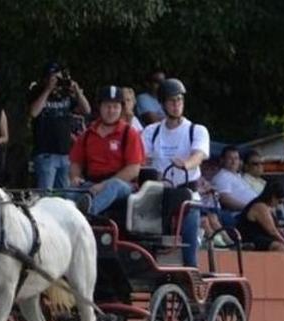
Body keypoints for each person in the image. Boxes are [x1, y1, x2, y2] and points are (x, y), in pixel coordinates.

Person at [141, 78, 210, 267]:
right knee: (142, 230)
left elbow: (199, 155)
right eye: (172, 101)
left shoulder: (196, 130)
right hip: (158, 195)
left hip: (185, 194)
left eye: (179, 100)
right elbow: (141, 159)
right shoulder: (151, 131)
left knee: (189, 233)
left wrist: (186, 164)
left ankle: (191, 269)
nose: (176, 104)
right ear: (163, 104)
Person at [68, 86, 143, 215]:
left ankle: (87, 214)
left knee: (113, 186)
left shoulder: (129, 133)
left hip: (122, 185)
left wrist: (103, 185)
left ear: (121, 109)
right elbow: (76, 162)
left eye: (115, 107)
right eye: (107, 106)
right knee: (69, 192)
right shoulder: (88, 134)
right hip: (91, 183)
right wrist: (75, 177)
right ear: (100, 107)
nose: (111, 111)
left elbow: (134, 169)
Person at [28, 62, 91, 189]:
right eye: (54, 78)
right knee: (46, 194)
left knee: (65, 194)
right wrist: (48, 89)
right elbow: (33, 112)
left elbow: (87, 110)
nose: (57, 81)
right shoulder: (37, 92)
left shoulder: (66, 94)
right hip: (46, 153)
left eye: (59, 78)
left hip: (65, 153)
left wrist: (78, 92)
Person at [236, 181, 284, 251]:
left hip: (264, 238)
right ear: (273, 197)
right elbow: (272, 231)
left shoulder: (269, 208)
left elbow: (275, 228)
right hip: (251, 239)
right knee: (280, 247)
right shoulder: (260, 207)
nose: (279, 205)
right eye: (279, 202)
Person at [211, 145, 259, 212]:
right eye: (230, 158)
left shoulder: (238, 176)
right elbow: (224, 199)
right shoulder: (222, 177)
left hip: (257, 209)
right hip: (241, 213)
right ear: (222, 160)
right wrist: (248, 208)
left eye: (236, 158)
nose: (234, 162)